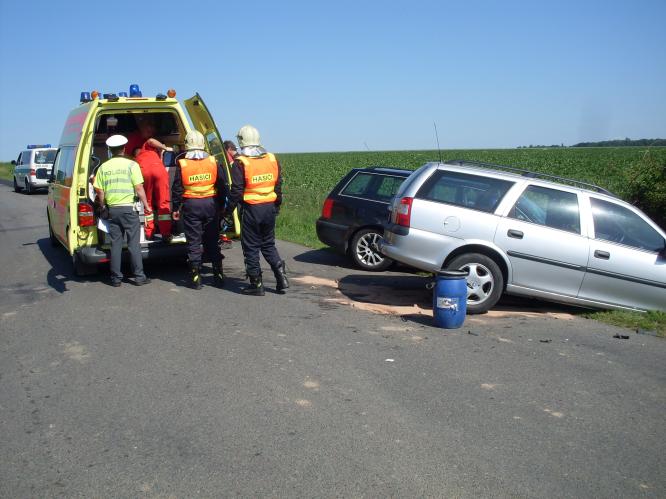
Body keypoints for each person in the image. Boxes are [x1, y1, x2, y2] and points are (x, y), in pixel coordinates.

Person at [224, 125, 288, 296]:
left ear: (241, 141)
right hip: (269, 207)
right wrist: (277, 205)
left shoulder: (241, 162)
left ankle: (256, 284)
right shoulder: (272, 159)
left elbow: (236, 191)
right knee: (268, 244)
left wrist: (227, 211)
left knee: (251, 246)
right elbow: (278, 185)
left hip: (252, 209)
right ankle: (281, 276)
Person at [171, 130, 227, 289]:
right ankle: (219, 275)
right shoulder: (213, 161)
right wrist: (222, 206)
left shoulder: (183, 163)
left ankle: (196, 278)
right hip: (210, 204)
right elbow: (222, 186)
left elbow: (177, 188)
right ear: (203, 144)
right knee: (212, 240)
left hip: (191, 205)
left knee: (194, 241)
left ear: (187, 145)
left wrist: (175, 207)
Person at [93, 135, 151, 287]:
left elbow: (99, 191)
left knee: (116, 245)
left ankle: (116, 279)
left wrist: (103, 205)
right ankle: (139, 277)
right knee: (133, 244)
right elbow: (139, 188)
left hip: (112, 211)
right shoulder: (132, 165)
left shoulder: (103, 167)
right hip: (128, 210)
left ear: (110, 150)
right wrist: (146, 205)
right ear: (124, 148)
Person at [129, 116, 173, 240]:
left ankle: (149, 233)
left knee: (147, 203)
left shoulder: (137, 155)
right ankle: (165, 233)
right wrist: (165, 148)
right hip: (159, 171)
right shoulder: (148, 145)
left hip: (144, 172)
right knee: (163, 203)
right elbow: (152, 141)